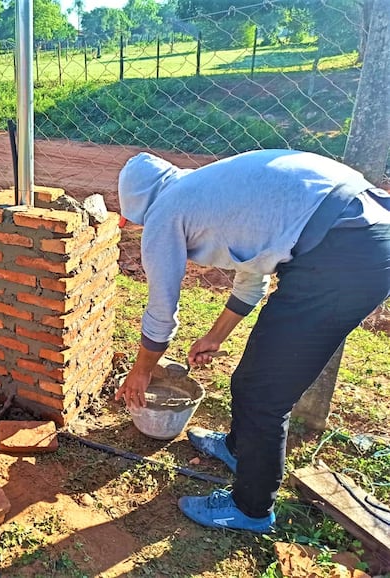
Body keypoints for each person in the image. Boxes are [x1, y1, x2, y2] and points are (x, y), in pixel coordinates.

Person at [114, 149, 390, 533]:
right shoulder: (208, 192)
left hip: (341, 252)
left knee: (264, 394)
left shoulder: (166, 210)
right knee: (251, 379)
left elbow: (161, 309)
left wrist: (140, 372)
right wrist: (214, 336)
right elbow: (254, 273)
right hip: (362, 231)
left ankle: (251, 509)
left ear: (140, 205)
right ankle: (238, 448)